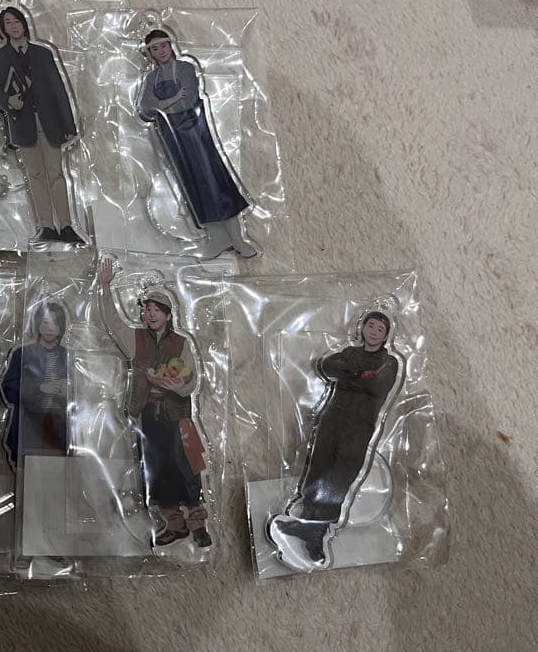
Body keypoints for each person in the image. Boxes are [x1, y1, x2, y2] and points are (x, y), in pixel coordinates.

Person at [268, 312, 401, 567]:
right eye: (370, 326)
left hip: (359, 426)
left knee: (340, 476)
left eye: (380, 329)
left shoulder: (389, 362)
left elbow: (376, 387)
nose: (373, 332)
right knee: (318, 466)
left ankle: (317, 531)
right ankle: (304, 520)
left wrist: (350, 375)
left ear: (386, 336)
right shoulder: (350, 352)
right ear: (362, 328)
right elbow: (328, 366)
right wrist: (359, 374)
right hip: (332, 418)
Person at [98, 258, 212, 549]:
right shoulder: (135, 339)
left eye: (156, 310)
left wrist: (180, 387)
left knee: (188, 467)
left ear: (168, 315)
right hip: (148, 414)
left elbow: (192, 378)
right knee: (156, 471)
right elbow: (112, 321)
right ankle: (174, 524)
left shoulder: (181, 342)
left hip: (178, 413)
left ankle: (198, 523)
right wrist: (105, 288)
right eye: (147, 309)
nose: (150, 314)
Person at [137, 29, 255, 259]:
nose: (160, 51)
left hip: (194, 131)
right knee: (192, 183)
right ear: (149, 52)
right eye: (155, 48)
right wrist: (173, 99)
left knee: (214, 179)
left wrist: (163, 105)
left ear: (171, 45)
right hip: (172, 137)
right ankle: (217, 238)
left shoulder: (185, 69)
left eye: (163, 45)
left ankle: (237, 238)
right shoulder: (151, 79)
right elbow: (146, 109)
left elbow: (189, 99)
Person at [0, 7, 81, 245]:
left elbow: (58, 89)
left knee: (56, 174)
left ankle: (66, 225)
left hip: (50, 123)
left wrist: (68, 124)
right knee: (35, 176)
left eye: (17, 21)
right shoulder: (0, 56)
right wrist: (9, 101)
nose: (14, 26)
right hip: (23, 124)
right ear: (3, 29)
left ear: (24, 23)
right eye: (8, 23)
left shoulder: (42, 53)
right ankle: (46, 226)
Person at [0, 301, 71, 467]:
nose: (50, 328)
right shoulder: (22, 354)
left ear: (61, 327)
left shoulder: (68, 356)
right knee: (28, 475)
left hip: (60, 430)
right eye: (45, 322)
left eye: (55, 323)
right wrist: (40, 387)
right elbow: (8, 389)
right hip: (28, 427)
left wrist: (71, 390)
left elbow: (82, 393)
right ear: (37, 324)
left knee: (58, 474)